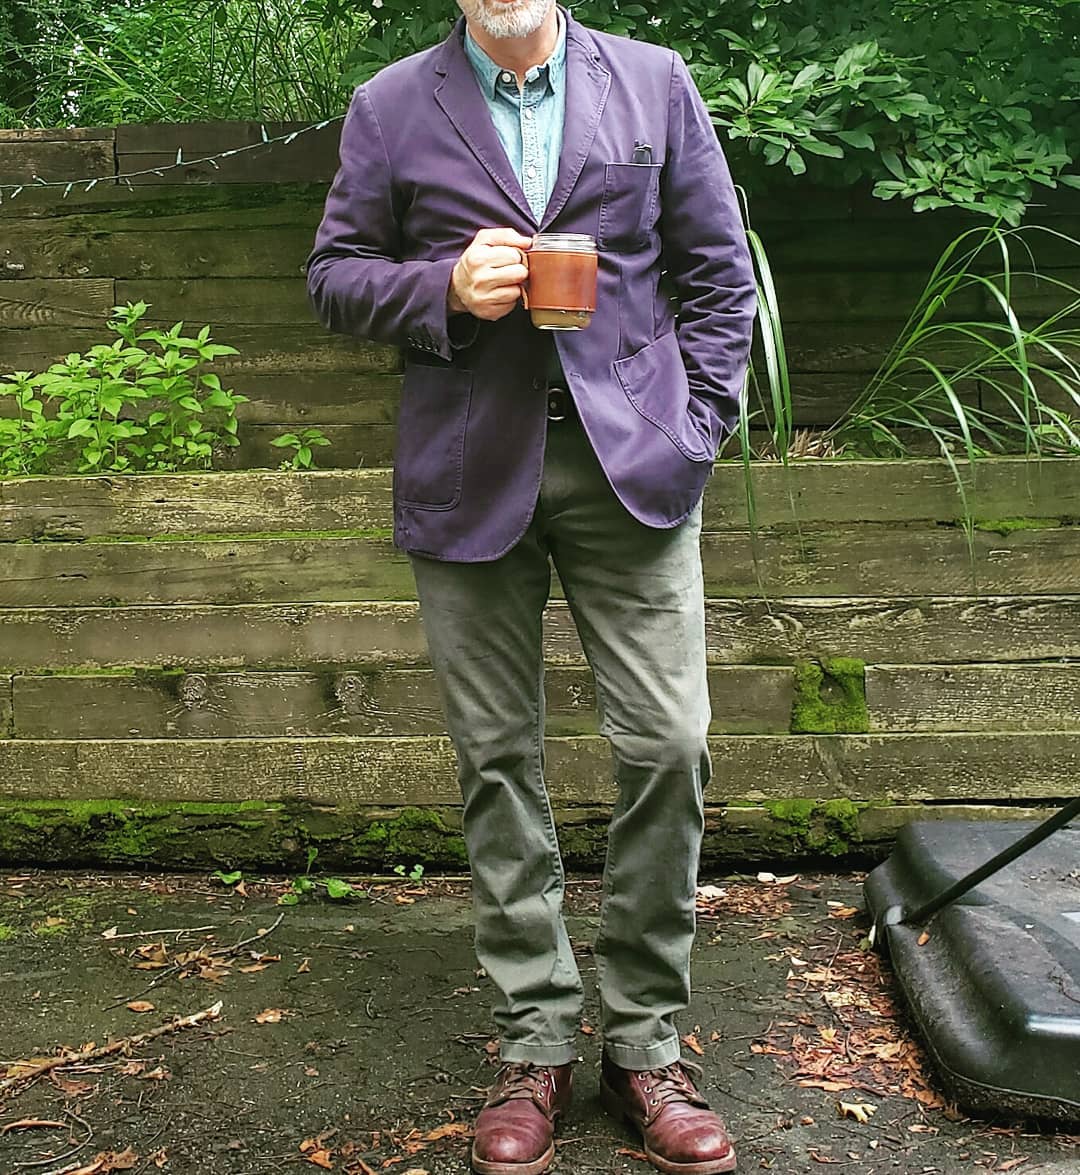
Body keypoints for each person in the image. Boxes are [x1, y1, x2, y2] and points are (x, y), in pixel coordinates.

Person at [307, 0, 756, 1171]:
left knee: (670, 742)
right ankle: (537, 1039)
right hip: (469, 469)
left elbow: (719, 273)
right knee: (496, 757)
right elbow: (335, 278)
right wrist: (442, 289)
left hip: (633, 469)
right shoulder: (389, 105)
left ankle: (646, 1042)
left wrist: (695, 425)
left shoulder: (655, 82)